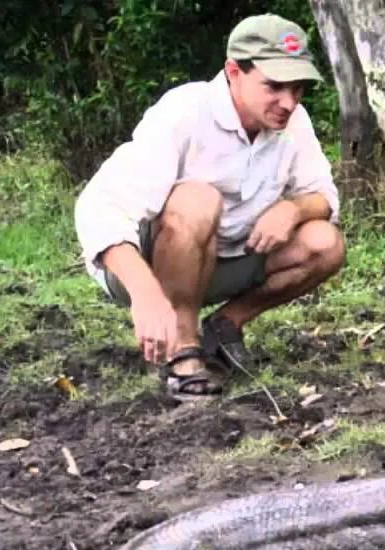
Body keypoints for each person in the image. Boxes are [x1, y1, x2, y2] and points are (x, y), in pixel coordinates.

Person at [74, 13, 345, 402]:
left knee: (324, 241)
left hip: (227, 259)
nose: (289, 102)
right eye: (275, 87)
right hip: (144, 266)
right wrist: (146, 295)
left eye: (298, 88)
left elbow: (325, 197)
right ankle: (182, 351)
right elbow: (100, 209)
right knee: (198, 199)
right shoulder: (185, 111)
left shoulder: (292, 122)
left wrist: (295, 210)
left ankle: (224, 325)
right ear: (234, 72)